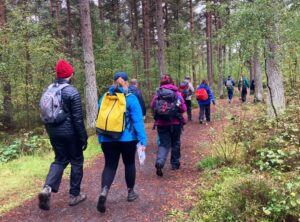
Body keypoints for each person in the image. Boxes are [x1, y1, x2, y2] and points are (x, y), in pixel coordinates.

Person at [38, 59, 88, 210]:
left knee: (60, 159)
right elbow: (77, 119)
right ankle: (74, 195)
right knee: (77, 161)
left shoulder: (49, 89)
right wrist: (83, 137)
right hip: (70, 134)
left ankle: (47, 188)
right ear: (70, 74)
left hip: (53, 131)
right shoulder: (71, 91)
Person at [96, 71, 147, 213]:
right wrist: (142, 140)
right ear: (126, 82)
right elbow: (137, 121)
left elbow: (100, 118)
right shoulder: (131, 98)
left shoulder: (104, 97)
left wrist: (100, 137)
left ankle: (104, 192)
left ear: (113, 82)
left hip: (107, 138)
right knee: (129, 164)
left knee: (110, 165)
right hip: (127, 139)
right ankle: (131, 193)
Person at [151, 74, 187, 177]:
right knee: (175, 142)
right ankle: (175, 164)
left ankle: (160, 162)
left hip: (161, 123)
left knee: (164, 144)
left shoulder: (158, 93)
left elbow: (152, 106)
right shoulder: (176, 93)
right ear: (172, 82)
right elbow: (183, 108)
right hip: (175, 122)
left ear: (161, 83)